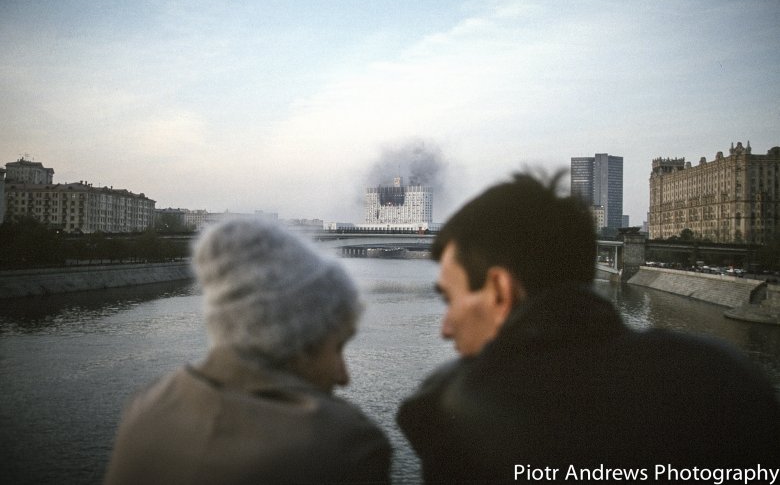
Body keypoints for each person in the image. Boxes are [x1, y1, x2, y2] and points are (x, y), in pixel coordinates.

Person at [397, 171, 780, 484]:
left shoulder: (458, 418)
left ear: (500, 292)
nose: (445, 329)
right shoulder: (726, 377)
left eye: (449, 299)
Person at [105, 217, 391, 484]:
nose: (344, 376)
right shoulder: (345, 444)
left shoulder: (143, 409)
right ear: (296, 340)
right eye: (338, 347)